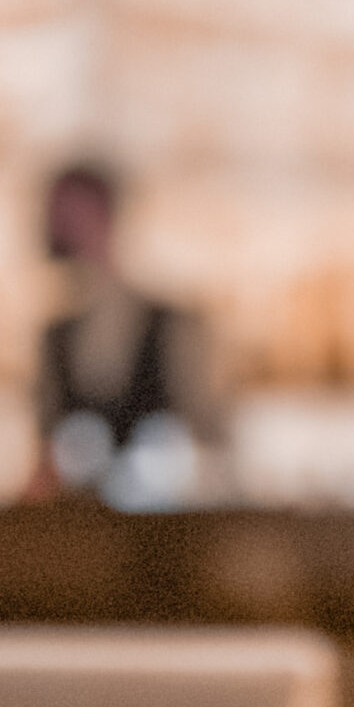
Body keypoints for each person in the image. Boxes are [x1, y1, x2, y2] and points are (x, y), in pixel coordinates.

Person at [25, 161, 223, 506]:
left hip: (164, 533)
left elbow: (211, 438)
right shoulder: (55, 335)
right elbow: (46, 451)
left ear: (104, 215)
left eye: (73, 214)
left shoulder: (173, 325)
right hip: (80, 531)